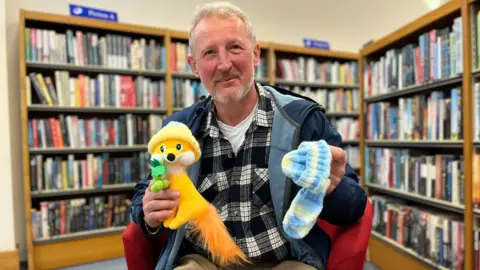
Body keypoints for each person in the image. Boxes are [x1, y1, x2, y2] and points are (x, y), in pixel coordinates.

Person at [131, 2, 367, 270]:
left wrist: (331, 187)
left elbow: (355, 206)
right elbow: (145, 192)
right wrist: (147, 212)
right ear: (194, 66)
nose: (224, 64)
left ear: (255, 54)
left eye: (235, 47)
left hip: (285, 261)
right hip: (204, 261)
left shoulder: (302, 120)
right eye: (209, 52)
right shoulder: (179, 129)